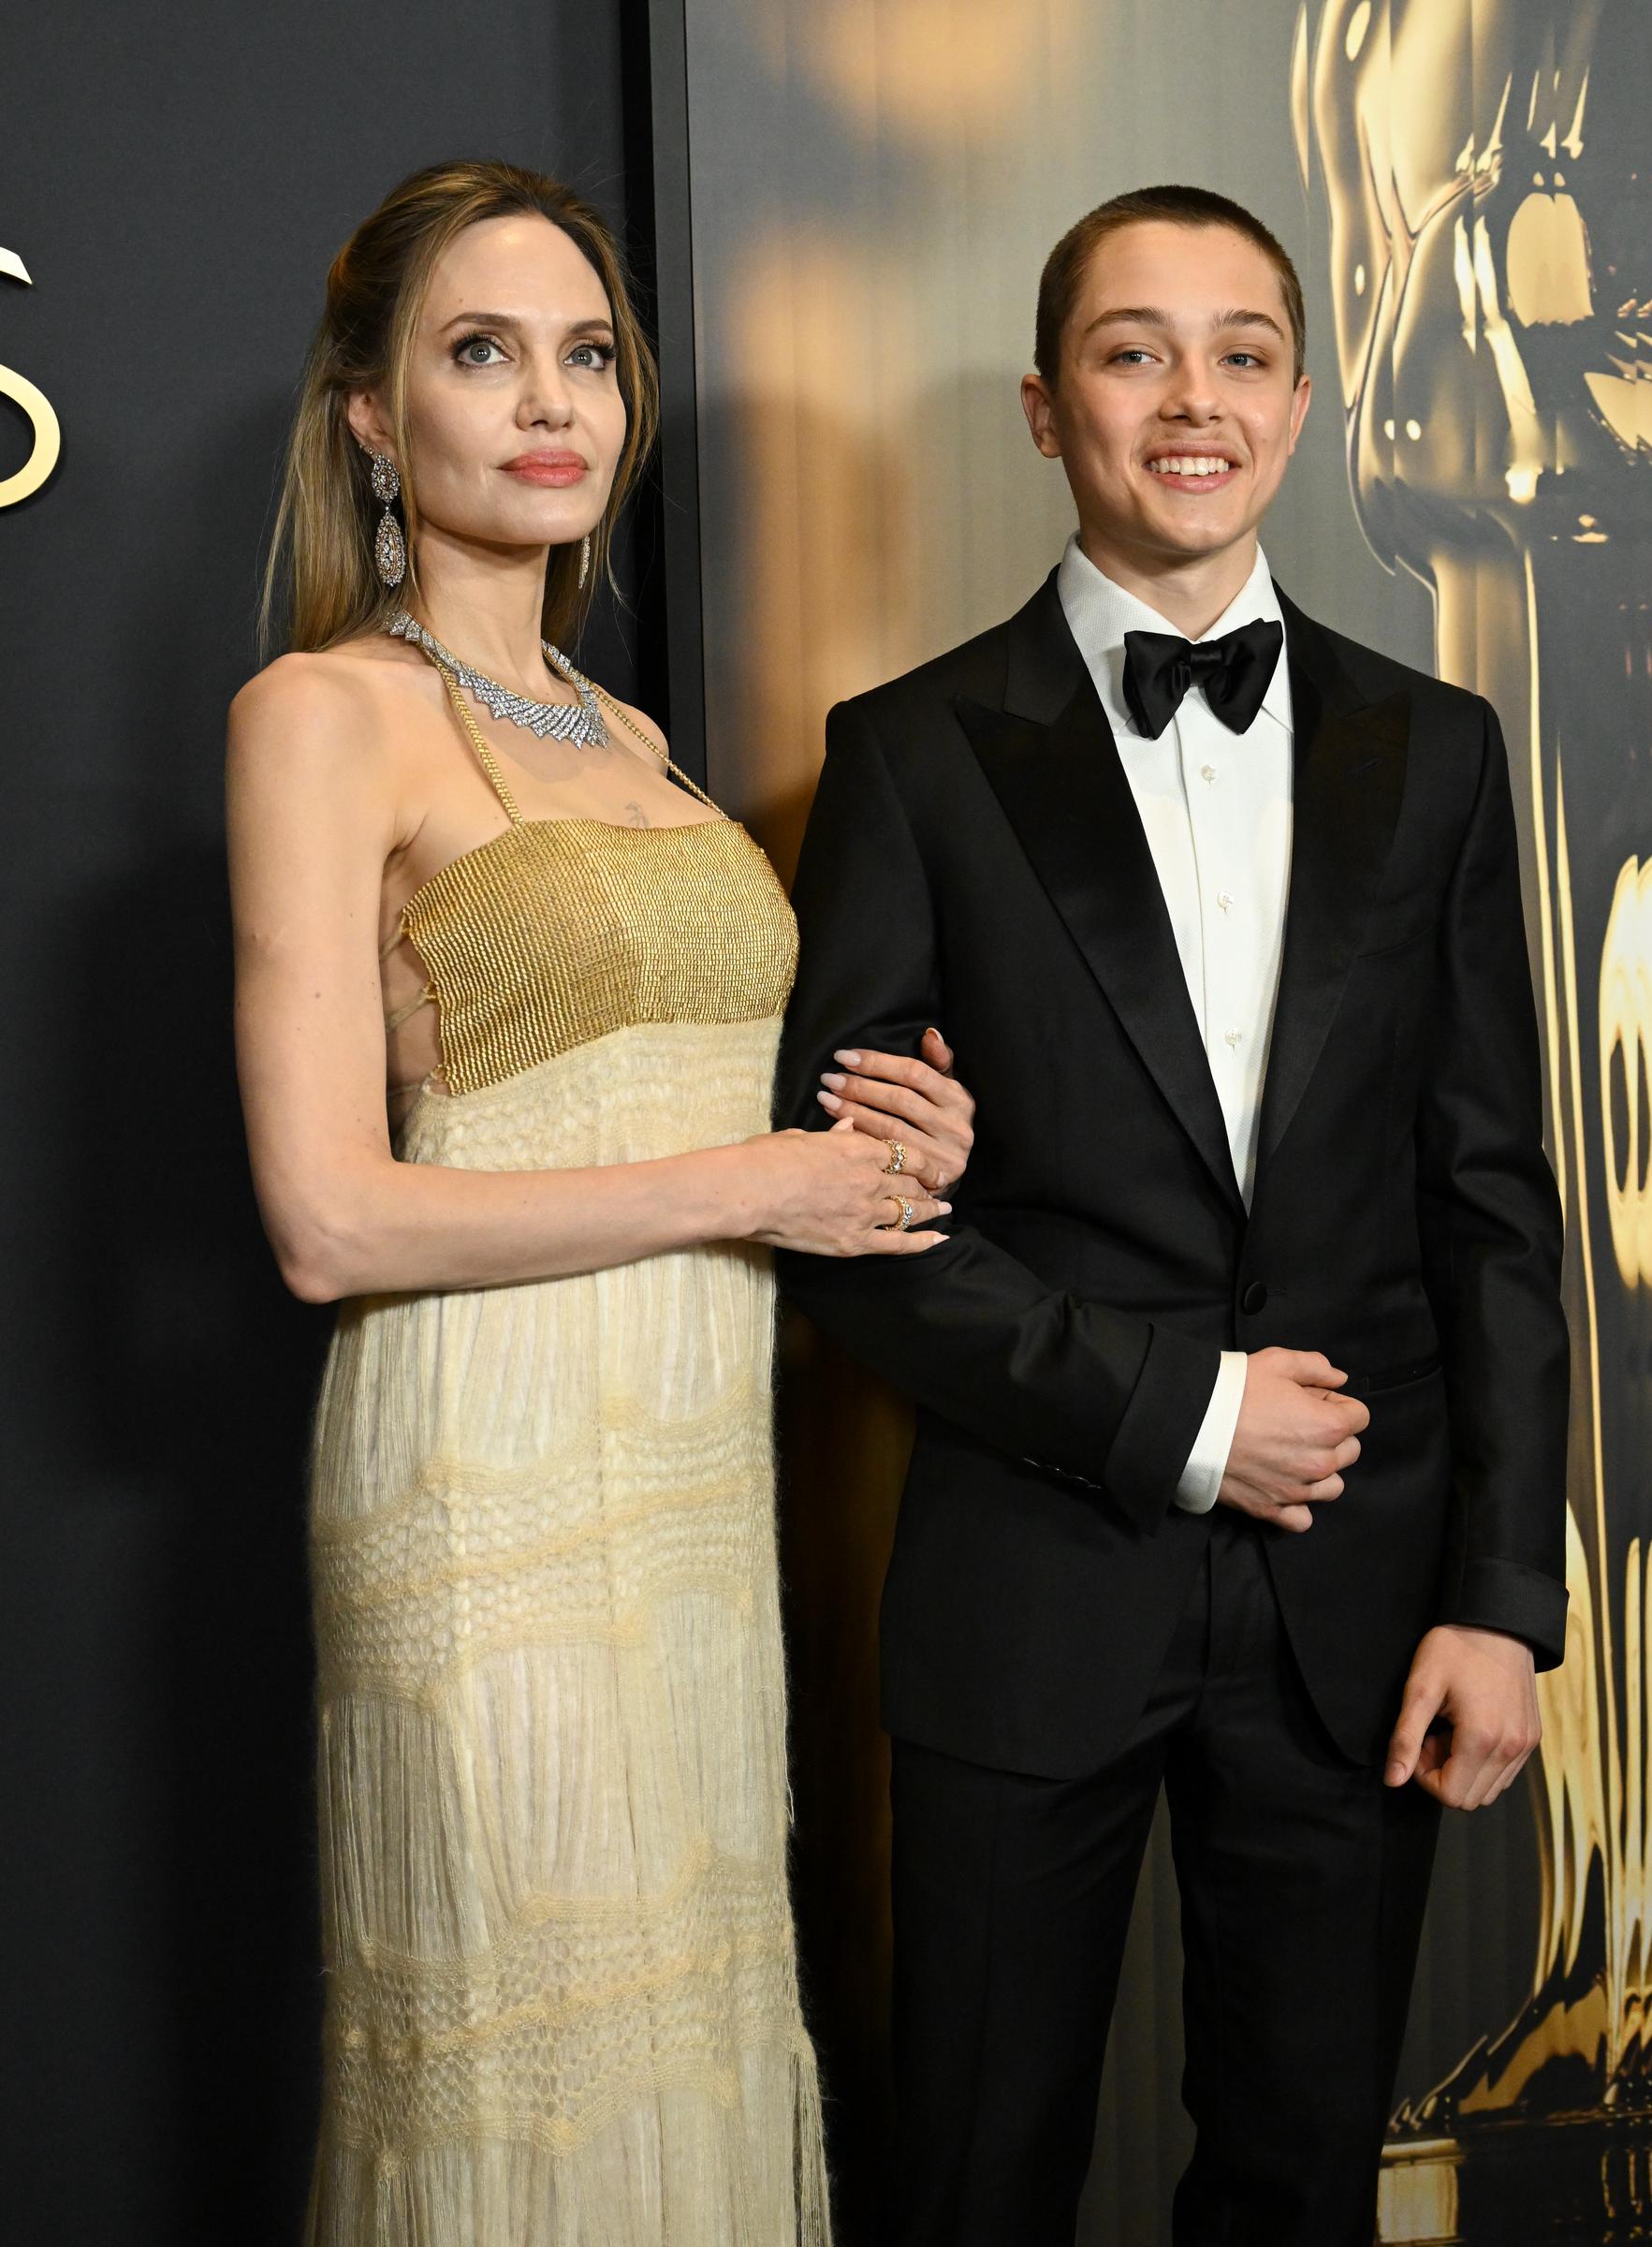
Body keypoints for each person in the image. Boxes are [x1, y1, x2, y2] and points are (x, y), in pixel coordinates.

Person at [773, 184, 1570, 2246]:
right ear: (1048, 409)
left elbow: (1494, 1209)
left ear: (1299, 404)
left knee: (1302, 2180)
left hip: (1362, 1608)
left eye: (1239, 353)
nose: (1189, 398)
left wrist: (1501, 1596)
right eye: (1134, 351)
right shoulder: (909, 755)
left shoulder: (1448, 751)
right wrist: (1186, 1415)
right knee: (971, 2176)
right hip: (1032, 1577)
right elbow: (855, 1221)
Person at [227, 157, 973, 2247]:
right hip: (483, 1472)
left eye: (586, 357)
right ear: (375, 416)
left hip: (689, 1495)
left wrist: (891, 1144)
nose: (550, 404)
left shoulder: (638, 742)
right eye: (481, 353)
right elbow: (330, 1223)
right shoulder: (321, 718)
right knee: (518, 2075)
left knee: (691, 2050)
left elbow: (695, 1103)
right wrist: (757, 1179)